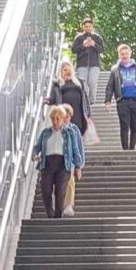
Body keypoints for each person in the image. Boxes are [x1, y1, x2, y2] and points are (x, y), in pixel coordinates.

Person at [45, 62, 91, 213]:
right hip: (62, 124)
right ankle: (62, 203)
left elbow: (85, 101)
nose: (66, 72)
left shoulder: (80, 84)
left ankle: (68, 204)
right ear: (61, 72)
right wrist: (48, 101)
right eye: (64, 70)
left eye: (68, 70)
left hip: (76, 120)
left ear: (72, 70)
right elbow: (53, 98)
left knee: (71, 160)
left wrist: (88, 116)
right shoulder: (58, 85)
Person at [32, 104, 83, 218]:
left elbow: (75, 150)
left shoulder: (69, 133)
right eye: (53, 119)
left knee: (60, 191)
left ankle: (58, 216)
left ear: (63, 119)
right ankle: (50, 214)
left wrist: (78, 167)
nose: (55, 121)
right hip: (48, 163)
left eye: (58, 119)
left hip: (63, 164)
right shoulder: (45, 133)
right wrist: (35, 155)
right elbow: (37, 147)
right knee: (46, 190)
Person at [103, 43, 136, 150]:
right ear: (119, 55)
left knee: (135, 126)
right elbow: (110, 86)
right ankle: (125, 150)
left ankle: (132, 147)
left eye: (126, 54)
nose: (124, 56)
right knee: (124, 126)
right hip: (122, 101)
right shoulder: (115, 69)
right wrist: (108, 101)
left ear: (130, 54)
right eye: (122, 54)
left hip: (135, 100)